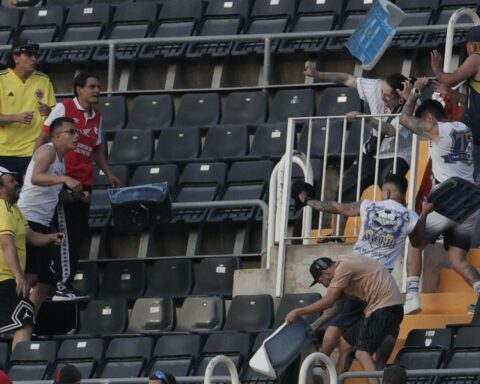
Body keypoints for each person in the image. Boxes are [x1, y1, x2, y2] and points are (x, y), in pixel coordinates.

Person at [292, 174, 432, 370]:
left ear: (386, 192)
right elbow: (418, 244)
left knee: (338, 321)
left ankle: (320, 363)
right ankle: (380, 369)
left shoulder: (369, 205)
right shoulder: (411, 216)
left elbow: (337, 207)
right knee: (378, 332)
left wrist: (307, 201)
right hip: (382, 285)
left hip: (357, 275)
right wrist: (424, 215)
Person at [35, 72, 120, 300]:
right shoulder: (64, 109)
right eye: (92, 86)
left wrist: (108, 173)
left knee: (79, 233)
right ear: (78, 89)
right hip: (65, 180)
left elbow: (97, 149)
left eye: (98, 86)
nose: (97, 90)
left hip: (85, 182)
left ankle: (64, 283)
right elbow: (44, 136)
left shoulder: (97, 117)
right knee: (66, 232)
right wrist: (35, 165)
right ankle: (61, 285)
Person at [303, 61, 412, 237]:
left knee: (391, 194)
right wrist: (318, 74)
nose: (381, 98)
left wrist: (366, 118)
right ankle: (336, 235)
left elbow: (391, 131)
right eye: (381, 93)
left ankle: (398, 234)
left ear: (400, 98)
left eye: (387, 96)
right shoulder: (377, 87)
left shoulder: (410, 106)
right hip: (370, 153)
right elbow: (346, 78)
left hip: (396, 155)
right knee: (344, 190)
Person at [399, 83, 480, 314]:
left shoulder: (437, 129)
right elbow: (468, 101)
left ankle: (412, 296)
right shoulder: (464, 127)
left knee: (415, 243)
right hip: (471, 200)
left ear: (428, 118)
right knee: (458, 260)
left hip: (449, 197)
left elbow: (405, 120)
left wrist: (413, 93)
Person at [285, 255, 404, 384]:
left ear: (325, 273)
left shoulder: (343, 267)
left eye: (321, 282)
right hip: (387, 309)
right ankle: (337, 382)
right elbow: (338, 305)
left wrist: (298, 312)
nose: (325, 286)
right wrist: (315, 324)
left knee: (361, 353)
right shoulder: (346, 268)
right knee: (345, 342)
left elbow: (328, 301)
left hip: (384, 308)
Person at [17, 117, 81, 311]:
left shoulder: (61, 160)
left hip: (43, 221)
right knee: (32, 274)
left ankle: (28, 319)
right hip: (29, 218)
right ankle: (12, 317)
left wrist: (76, 196)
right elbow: (37, 177)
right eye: (71, 132)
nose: (76, 136)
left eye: (77, 132)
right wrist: (66, 179)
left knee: (46, 278)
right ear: (56, 136)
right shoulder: (47, 150)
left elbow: (53, 192)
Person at [0, 166, 63, 350]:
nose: (17, 183)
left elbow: (31, 236)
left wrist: (50, 237)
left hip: (6, 278)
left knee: (20, 318)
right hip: (4, 278)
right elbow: (6, 244)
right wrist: (19, 276)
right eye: (11, 181)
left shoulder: (15, 210)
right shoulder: (2, 210)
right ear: (1, 189)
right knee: (25, 318)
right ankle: (20, 368)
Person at [430, 25, 480, 183]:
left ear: (472, 45)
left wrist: (437, 70)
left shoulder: (476, 58)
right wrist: (451, 93)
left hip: (476, 135)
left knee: (469, 177)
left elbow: (449, 79)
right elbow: (471, 100)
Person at [0, 38, 56, 175]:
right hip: (4, 151)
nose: (34, 59)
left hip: (34, 150)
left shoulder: (44, 80)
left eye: (36, 55)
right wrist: (15, 117)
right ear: (16, 57)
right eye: (28, 55)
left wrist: (49, 111)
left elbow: (55, 115)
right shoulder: (1, 80)